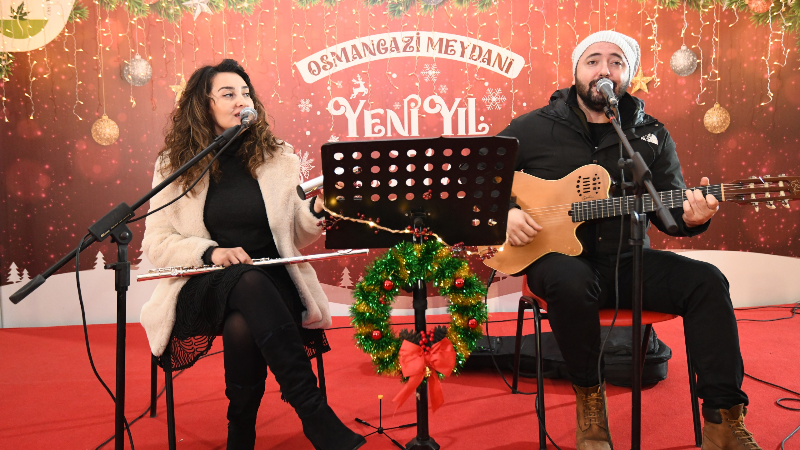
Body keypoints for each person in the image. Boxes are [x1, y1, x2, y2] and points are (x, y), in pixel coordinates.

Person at [498, 31, 761, 450]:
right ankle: (590, 404)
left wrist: (694, 216)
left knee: (707, 281)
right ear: (576, 72)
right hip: (559, 263)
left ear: (628, 75)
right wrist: (506, 212)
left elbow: (670, 212)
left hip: (629, 261)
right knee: (570, 279)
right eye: (593, 60)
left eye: (616, 62)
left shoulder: (652, 135)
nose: (604, 70)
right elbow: (477, 182)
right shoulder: (532, 128)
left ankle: (723, 421)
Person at [140, 59, 366, 450]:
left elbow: (292, 230)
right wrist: (211, 252)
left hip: (271, 276)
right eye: (228, 94)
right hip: (205, 281)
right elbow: (156, 243)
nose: (241, 100)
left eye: (246, 93)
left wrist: (314, 212)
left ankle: (241, 427)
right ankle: (314, 413)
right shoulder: (175, 165)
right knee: (245, 284)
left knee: (243, 320)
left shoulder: (277, 156)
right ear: (203, 105)